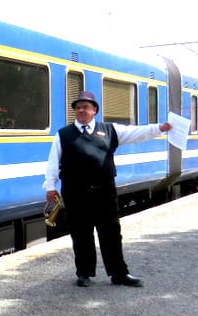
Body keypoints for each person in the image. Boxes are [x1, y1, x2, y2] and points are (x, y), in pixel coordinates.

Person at [43, 91, 173, 288]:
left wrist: (159, 128)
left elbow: (136, 133)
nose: (81, 110)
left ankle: (119, 274)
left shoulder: (110, 130)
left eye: (86, 107)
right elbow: (53, 162)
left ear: (94, 110)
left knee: (111, 233)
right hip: (75, 193)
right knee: (81, 234)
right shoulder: (63, 135)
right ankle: (84, 273)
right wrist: (50, 186)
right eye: (78, 107)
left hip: (104, 192)